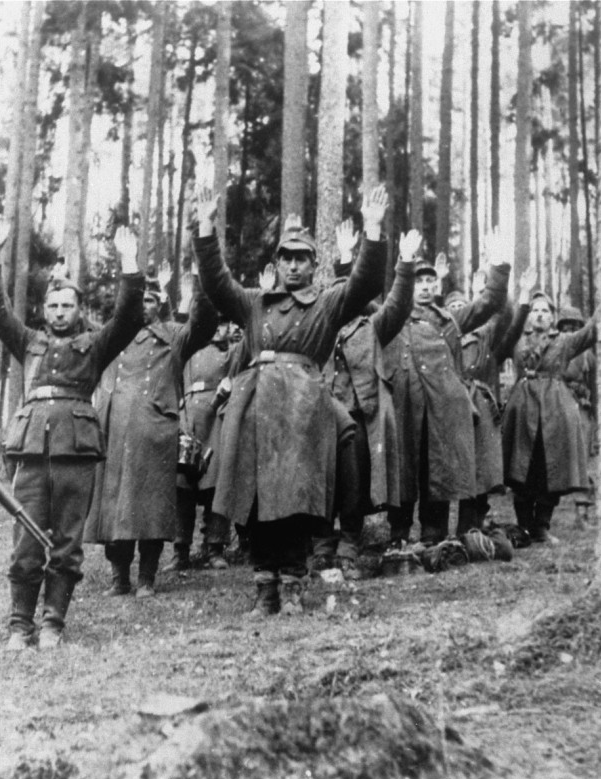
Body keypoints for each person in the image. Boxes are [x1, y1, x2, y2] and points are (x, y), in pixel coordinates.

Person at [192, 184, 390, 617]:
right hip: (257, 408)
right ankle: (265, 590)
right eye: (287, 258)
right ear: (276, 263)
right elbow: (216, 282)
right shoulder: (254, 304)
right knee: (258, 500)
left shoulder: (327, 303)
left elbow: (366, 282)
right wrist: (206, 227)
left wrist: (373, 231)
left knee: (299, 500)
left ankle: (294, 585)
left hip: (303, 410)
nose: (294, 266)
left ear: (314, 265)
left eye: (303, 259)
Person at [0, 219, 144, 649]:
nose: (58, 313)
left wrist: (130, 264)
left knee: (68, 543)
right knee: (26, 540)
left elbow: (129, 316)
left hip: (76, 453)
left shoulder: (95, 343)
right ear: (43, 311)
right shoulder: (28, 342)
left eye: (67, 306)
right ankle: (20, 624)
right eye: (52, 307)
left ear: (78, 309)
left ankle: (53, 622)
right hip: (32, 450)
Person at [84, 261, 217, 598]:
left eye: (151, 300)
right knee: (114, 509)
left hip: (155, 434)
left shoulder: (173, 336)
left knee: (152, 509)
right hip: (113, 433)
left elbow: (202, 326)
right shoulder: (111, 336)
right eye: (139, 299)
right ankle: (119, 578)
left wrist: (200, 287)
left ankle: (146, 577)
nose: (144, 306)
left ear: (160, 306)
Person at [312, 223, 419, 578]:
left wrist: (405, 263)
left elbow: (399, 305)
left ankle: (349, 548)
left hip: (359, 415)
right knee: (324, 481)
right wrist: (344, 260)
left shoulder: (372, 326)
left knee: (354, 484)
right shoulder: (321, 326)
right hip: (323, 414)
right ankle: (322, 546)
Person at [383, 247, 509, 548]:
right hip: (404, 404)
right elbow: (357, 300)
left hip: (440, 408)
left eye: (429, 281)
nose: (425, 286)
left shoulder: (450, 319)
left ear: (436, 286)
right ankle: (398, 536)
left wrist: (497, 264)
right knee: (403, 470)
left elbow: (489, 303)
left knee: (435, 470)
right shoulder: (393, 316)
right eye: (418, 281)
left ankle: (432, 536)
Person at [446, 239, 536, 534]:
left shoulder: (486, 337)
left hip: (481, 408)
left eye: (464, 306)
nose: (460, 311)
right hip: (452, 404)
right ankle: (451, 529)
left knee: (481, 469)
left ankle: (471, 526)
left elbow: (503, 316)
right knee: (453, 467)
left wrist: (517, 296)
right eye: (454, 308)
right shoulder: (443, 339)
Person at [502, 295, 597, 544]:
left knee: (549, 468)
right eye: (535, 310)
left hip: (555, 411)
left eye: (545, 310)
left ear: (553, 317)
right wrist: (519, 303)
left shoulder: (564, 342)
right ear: (529, 315)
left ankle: (541, 527)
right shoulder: (517, 339)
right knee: (521, 467)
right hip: (522, 409)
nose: (540, 314)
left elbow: (590, 332)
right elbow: (502, 322)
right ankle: (523, 526)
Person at [172, 314, 234, 572]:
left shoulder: (230, 353)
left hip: (216, 418)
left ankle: (215, 548)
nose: (217, 329)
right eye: (214, 323)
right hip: (188, 418)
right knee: (182, 487)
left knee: (215, 485)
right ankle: (180, 551)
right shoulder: (187, 349)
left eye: (222, 324)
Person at [558, 306, 597, 529]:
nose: (569, 331)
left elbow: (594, 388)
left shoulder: (587, 356)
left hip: (581, 409)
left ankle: (582, 513)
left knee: (582, 461)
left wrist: (594, 417)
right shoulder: (555, 349)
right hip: (558, 408)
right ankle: (537, 519)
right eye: (565, 327)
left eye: (574, 327)